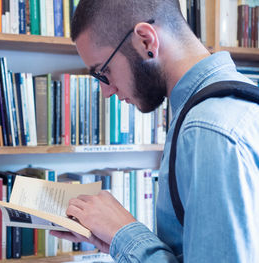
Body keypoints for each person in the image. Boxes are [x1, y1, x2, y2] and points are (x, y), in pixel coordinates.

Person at [51, 0, 259, 262]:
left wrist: (123, 233)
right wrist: (116, 241)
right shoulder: (230, 105)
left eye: (103, 72)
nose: (106, 91)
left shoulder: (206, 129)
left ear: (146, 41)